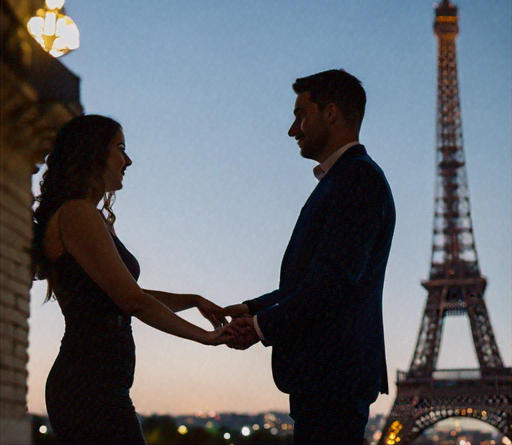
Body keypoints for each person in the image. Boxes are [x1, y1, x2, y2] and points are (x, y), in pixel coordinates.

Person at [33, 114, 229, 444]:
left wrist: (193, 300)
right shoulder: (77, 213)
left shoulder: (84, 215)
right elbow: (132, 301)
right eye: (120, 149)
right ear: (93, 152)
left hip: (100, 383)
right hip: (88, 386)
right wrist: (206, 338)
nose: (128, 160)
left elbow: (125, 292)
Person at [223, 69, 396, 444]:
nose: (293, 129)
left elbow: (331, 283)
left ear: (330, 112)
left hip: (332, 377)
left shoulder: (355, 180)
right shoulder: (349, 179)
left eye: (301, 114)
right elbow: (317, 280)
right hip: (329, 378)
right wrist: (250, 309)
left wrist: (257, 327)